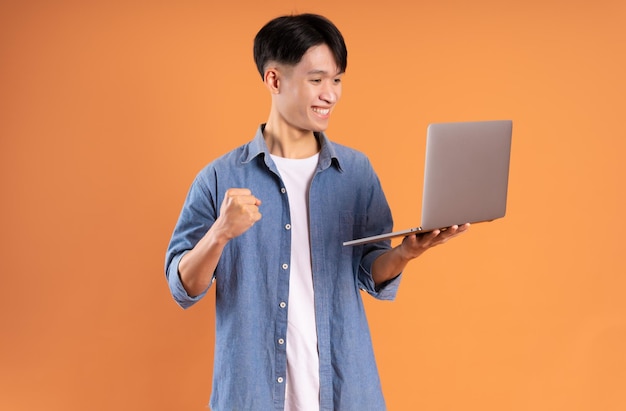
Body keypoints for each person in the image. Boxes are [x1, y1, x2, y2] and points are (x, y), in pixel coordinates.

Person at [165, 13, 469, 411]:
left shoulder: (356, 172)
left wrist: (406, 252)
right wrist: (219, 233)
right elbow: (182, 287)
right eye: (317, 80)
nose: (331, 94)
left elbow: (368, 270)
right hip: (252, 394)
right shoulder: (219, 178)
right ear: (274, 80)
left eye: (337, 80)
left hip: (346, 390)